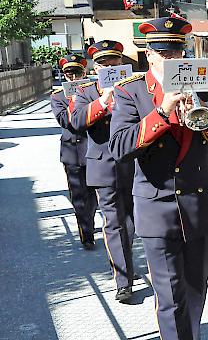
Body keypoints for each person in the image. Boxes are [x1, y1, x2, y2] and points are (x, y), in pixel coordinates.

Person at [109, 16, 208, 340]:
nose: (172, 60)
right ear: (149, 55)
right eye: (164, 54)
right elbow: (119, 148)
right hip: (157, 209)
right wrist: (163, 112)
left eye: (176, 53)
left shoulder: (203, 85)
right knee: (170, 298)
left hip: (199, 205)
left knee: (196, 290)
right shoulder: (132, 92)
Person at [70, 40, 136, 303]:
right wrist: (103, 100)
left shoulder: (133, 88)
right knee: (113, 222)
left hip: (132, 163)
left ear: (122, 63)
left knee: (131, 222)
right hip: (102, 164)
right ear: (95, 68)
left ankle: (126, 259)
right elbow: (76, 122)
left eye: (115, 63)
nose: (110, 67)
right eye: (104, 64)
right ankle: (123, 280)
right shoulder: (85, 92)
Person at [51, 53, 97, 250]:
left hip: (94, 150)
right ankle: (86, 234)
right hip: (73, 152)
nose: (72, 78)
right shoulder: (58, 97)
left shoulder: (93, 92)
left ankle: (91, 222)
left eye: (76, 73)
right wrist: (73, 100)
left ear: (84, 72)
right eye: (68, 74)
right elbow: (65, 121)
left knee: (94, 196)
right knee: (79, 196)